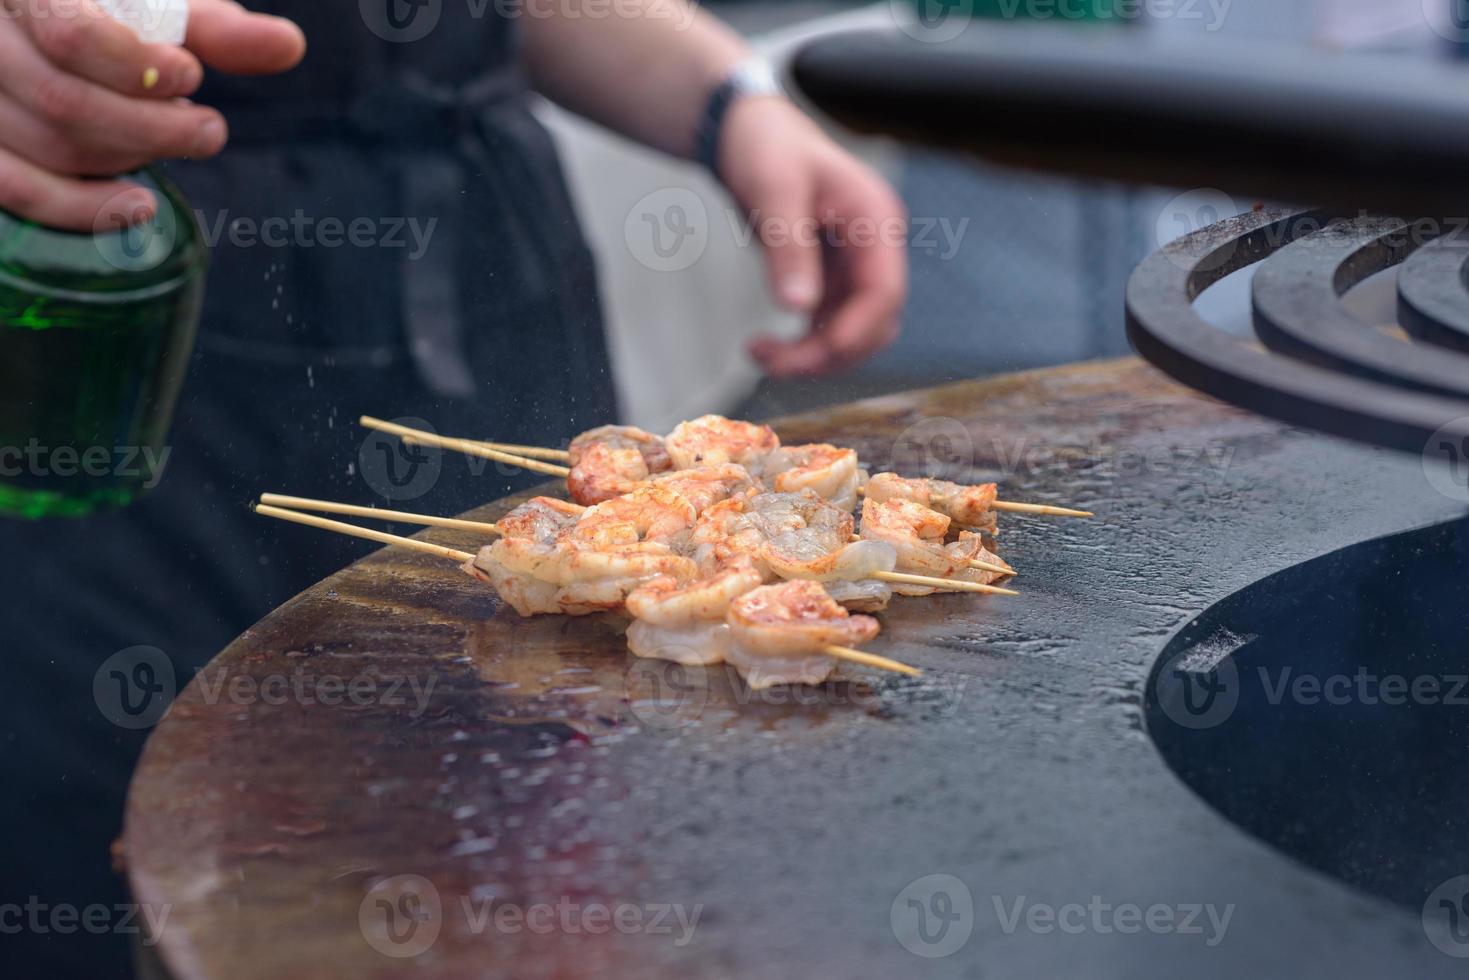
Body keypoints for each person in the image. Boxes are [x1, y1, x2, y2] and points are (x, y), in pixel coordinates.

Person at [0, 0, 908, 973]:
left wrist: (729, 100)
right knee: (119, 896)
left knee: (535, 872)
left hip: (484, 284)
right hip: (98, 333)